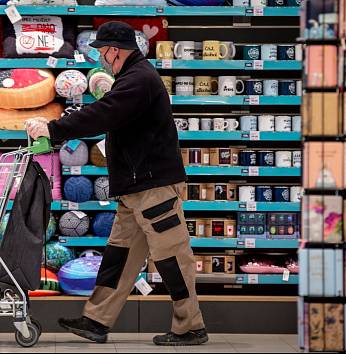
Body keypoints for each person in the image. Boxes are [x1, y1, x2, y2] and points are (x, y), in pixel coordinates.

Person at [25, 21, 208, 346]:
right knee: (118, 258)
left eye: (102, 52)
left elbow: (103, 114)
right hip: (136, 189)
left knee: (172, 258)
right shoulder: (132, 79)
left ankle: (190, 326)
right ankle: (96, 321)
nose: (102, 59)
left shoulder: (139, 80)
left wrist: (54, 130)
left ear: (114, 51)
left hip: (154, 188)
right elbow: (106, 113)